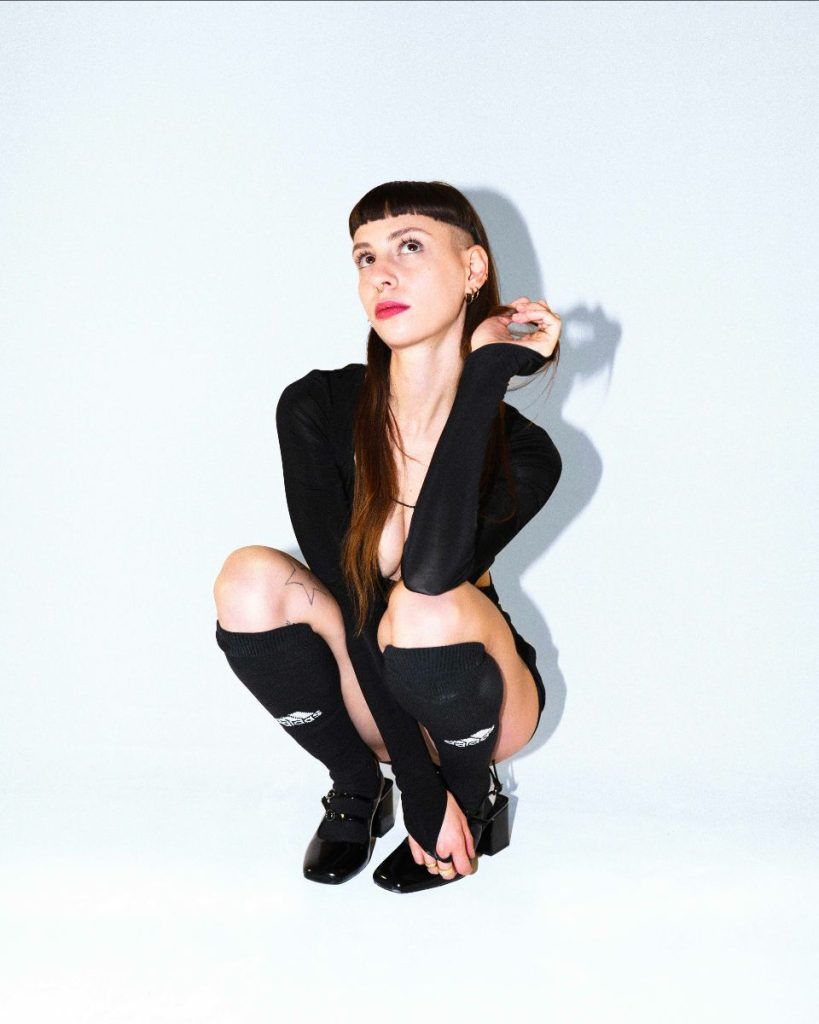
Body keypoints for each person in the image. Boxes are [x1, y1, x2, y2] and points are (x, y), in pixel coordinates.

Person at [213, 180, 562, 893]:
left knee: (423, 604)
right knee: (248, 578)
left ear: (472, 269)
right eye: (365, 257)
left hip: (478, 702)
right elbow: (349, 598)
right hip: (366, 689)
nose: (382, 274)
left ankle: (473, 794)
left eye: (409, 247)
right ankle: (356, 786)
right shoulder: (316, 405)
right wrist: (413, 784)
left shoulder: (528, 454)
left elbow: (431, 572)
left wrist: (486, 377)